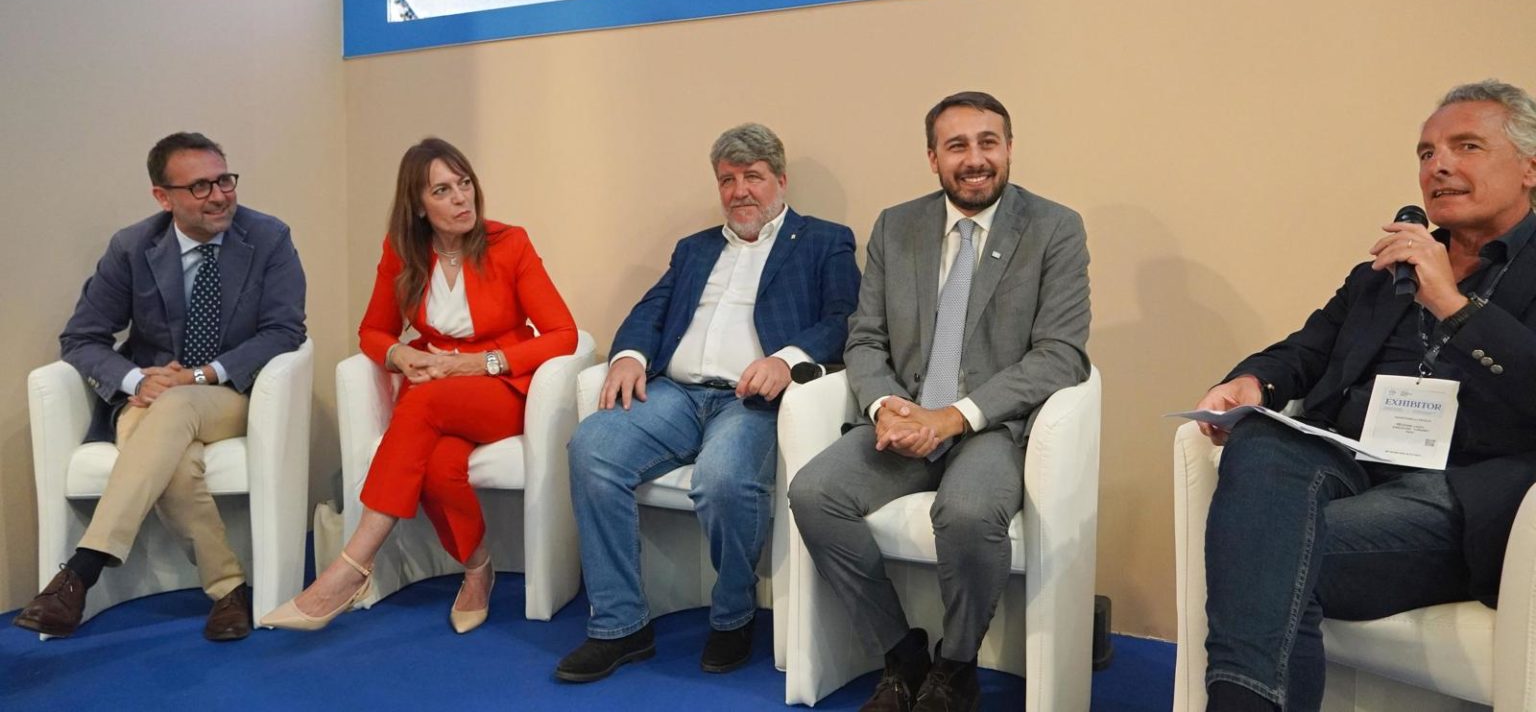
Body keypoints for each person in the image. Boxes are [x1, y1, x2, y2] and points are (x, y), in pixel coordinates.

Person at [1192, 80, 1536, 712]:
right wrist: (1252, 382)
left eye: (1466, 146)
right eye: (1426, 153)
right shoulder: (1382, 274)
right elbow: (1305, 350)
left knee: (1261, 550)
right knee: (1262, 438)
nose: (1438, 166)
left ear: (1530, 169)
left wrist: (1454, 306)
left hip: (1461, 492)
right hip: (1353, 461)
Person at [789, 90, 1091, 712]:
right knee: (813, 494)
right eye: (957, 146)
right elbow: (865, 338)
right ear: (933, 158)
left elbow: (1061, 354)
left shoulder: (1055, 228)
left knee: (969, 513)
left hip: (990, 428)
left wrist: (953, 417)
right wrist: (886, 407)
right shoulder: (896, 226)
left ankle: (956, 666)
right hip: (903, 421)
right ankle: (902, 653)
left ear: (1009, 148)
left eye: (988, 142)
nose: (974, 159)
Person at [555, 123, 860, 682]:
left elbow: (845, 319)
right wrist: (628, 356)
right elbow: (651, 309)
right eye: (727, 179)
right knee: (591, 446)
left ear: (781, 181)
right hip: (674, 394)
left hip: (751, 401)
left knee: (721, 478)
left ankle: (733, 612)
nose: (740, 190)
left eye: (753, 177)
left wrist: (786, 360)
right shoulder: (694, 250)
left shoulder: (824, 240)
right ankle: (621, 625)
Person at [263, 137, 576, 633]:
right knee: (437, 466)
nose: (461, 198)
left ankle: (351, 567)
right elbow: (373, 331)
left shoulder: (509, 243)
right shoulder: (402, 251)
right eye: (442, 190)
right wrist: (399, 354)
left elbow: (563, 334)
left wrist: (479, 364)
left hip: (500, 390)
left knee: (422, 404)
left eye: (464, 183)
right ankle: (478, 569)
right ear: (418, 205)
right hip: (434, 388)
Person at [12, 132, 307, 642]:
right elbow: (81, 337)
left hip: (231, 395)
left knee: (176, 404)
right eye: (200, 187)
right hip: (150, 400)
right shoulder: (132, 247)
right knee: (176, 452)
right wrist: (137, 380)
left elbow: (284, 330)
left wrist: (198, 375)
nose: (219, 196)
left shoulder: (268, 238)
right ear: (163, 197)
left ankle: (83, 567)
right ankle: (229, 590)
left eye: (224, 180)